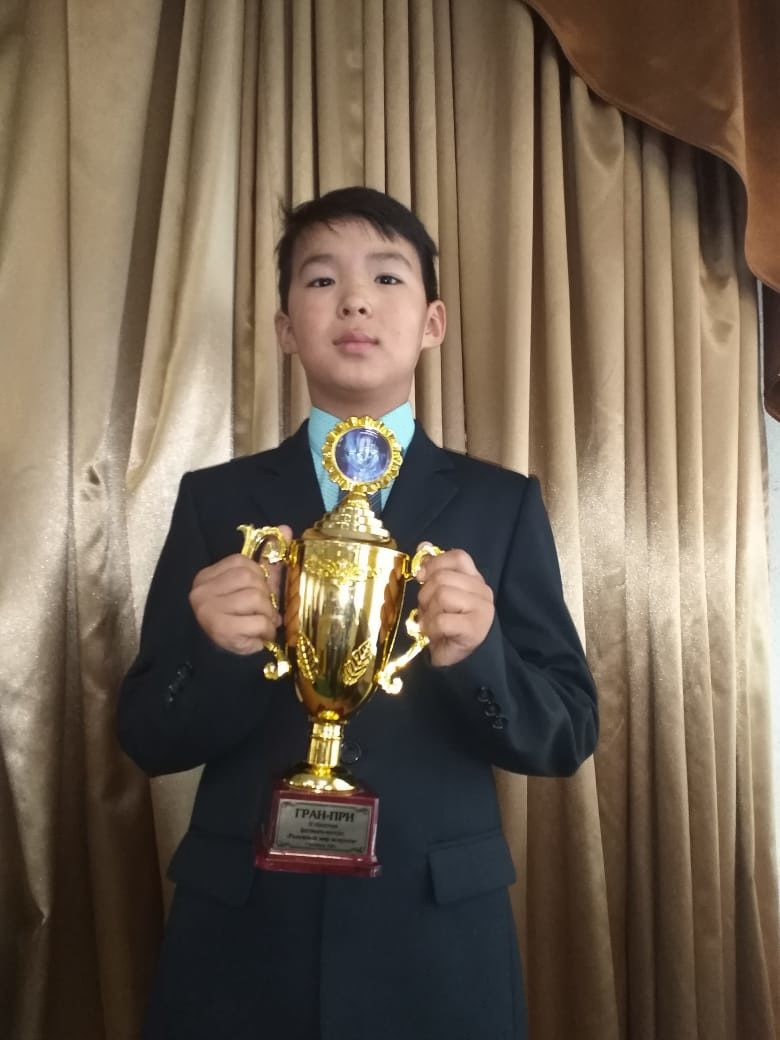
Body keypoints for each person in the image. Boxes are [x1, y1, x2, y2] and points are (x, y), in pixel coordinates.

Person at [118, 186, 598, 1040]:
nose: (354, 301)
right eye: (320, 280)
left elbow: (565, 734)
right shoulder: (215, 501)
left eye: (386, 277)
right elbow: (147, 737)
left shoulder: (502, 505)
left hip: (435, 939)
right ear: (285, 328)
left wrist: (482, 652)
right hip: (242, 942)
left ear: (432, 323)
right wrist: (213, 646)